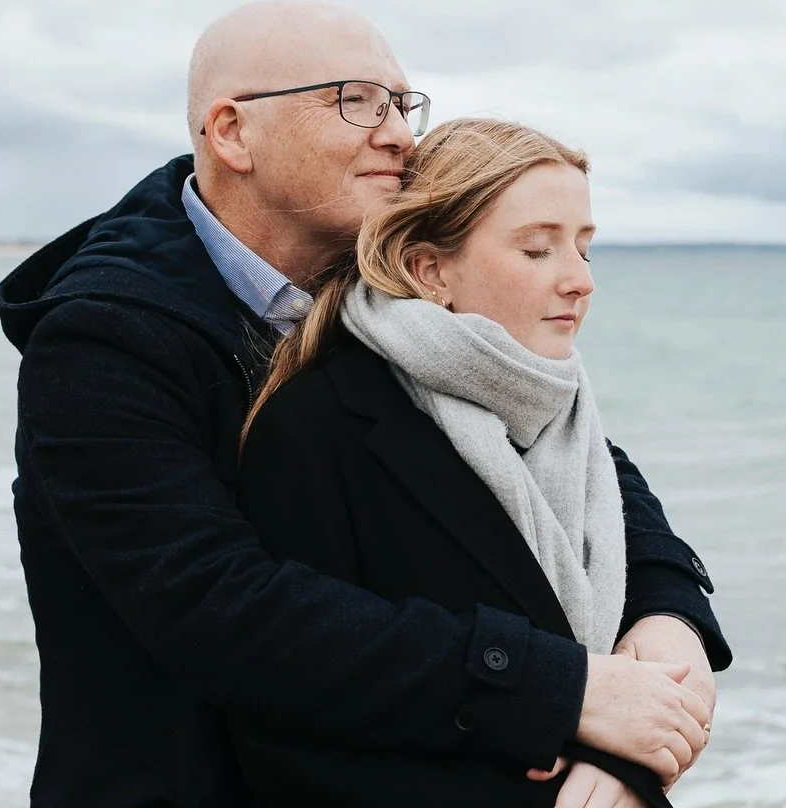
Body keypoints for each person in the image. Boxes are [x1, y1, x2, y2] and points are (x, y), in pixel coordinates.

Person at [0, 0, 729, 808]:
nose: (397, 134)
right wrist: (568, 693)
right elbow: (217, 608)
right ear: (233, 133)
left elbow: (570, 456)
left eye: (403, 104)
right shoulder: (103, 339)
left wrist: (667, 623)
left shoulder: (384, 300)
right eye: (356, 101)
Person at [229, 118, 695, 806]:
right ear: (430, 270)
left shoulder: (557, 408)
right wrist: (568, 738)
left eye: (585, 249)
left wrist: (630, 753)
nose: (578, 281)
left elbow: (640, 591)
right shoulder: (315, 425)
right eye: (538, 250)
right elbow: (298, 703)